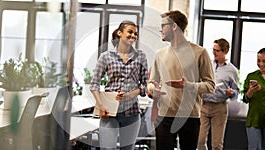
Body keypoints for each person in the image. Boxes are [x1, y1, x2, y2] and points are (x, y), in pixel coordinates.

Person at [147, 10, 215, 150]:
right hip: (164, 116)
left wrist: (188, 85)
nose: (161, 29)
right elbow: (151, 83)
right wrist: (152, 89)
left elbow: (210, 86)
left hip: (190, 116)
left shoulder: (200, 52)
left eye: (163, 25)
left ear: (174, 26)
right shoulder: (159, 54)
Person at [90, 20, 148, 150]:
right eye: (130, 32)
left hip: (132, 113)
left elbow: (145, 84)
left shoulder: (141, 56)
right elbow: (94, 85)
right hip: (109, 112)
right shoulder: (106, 56)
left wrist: (131, 94)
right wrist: (100, 105)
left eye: (135, 33)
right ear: (120, 33)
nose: (133, 36)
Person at [197, 38, 240, 150]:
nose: (214, 53)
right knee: (199, 141)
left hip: (219, 107)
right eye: (213, 50)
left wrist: (231, 92)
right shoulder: (208, 65)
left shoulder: (232, 70)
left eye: (217, 50)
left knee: (217, 144)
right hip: (203, 105)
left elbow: (236, 91)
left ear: (225, 51)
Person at [242, 48, 265, 150]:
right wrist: (251, 91)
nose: (261, 64)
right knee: (254, 148)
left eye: (264, 61)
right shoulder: (252, 76)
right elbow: (245, 99)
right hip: (254, 119)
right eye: (258, 61)